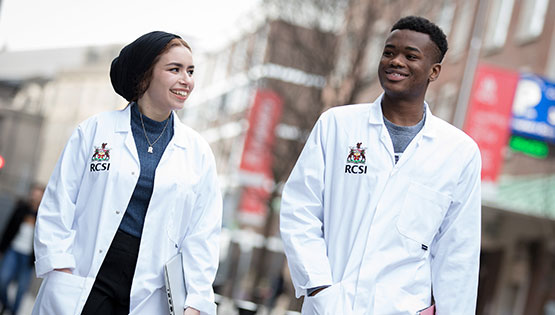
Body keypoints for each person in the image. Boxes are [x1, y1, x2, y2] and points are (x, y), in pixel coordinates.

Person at [280, 16, 481, 314]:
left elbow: (458, 254)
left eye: (410, 56)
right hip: (330, 305)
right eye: (389, 52)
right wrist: (321, 289)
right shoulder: (337, 125)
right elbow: (300, 211)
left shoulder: (459, 153)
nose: (396, 61)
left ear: (434, 71)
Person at [32, 31, 222, 315]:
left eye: (191, 71)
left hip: (150, 291)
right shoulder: (96, 131)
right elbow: (58, 204)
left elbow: (203, 234)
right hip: (86, 279)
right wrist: (60, 268)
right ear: (145, 75)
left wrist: (196, 301)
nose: (187, 80)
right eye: (175, 69)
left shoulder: (198, 153)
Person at [0, 184, 44, 315]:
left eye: (38, 194)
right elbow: (9, 228)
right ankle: (7, 305)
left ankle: (13, 312)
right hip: (13, 250)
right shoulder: (22, 208)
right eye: (33, 194)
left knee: (21, 289)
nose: (35, 197)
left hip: (29, 257)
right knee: (2, 280)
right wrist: (2, 248)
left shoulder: (43, 215)